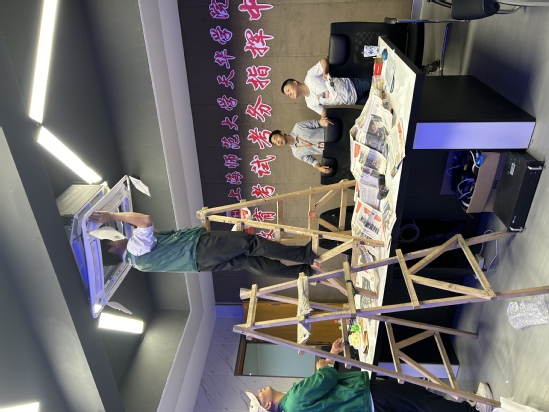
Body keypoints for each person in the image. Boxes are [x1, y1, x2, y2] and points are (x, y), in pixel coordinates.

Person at [247, 338, 495, 412]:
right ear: (267, 406)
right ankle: (473, 410)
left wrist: (331, 356)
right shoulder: (293, 399)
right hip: (366, 396)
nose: (259, 391)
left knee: (419, 407)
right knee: (421, 400)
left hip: (366, 407)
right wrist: (324, 367)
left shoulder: (293, 407)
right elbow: (327, 379)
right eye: (259, 397)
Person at [90, 211, 315, 277]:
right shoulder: (134, 248)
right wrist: (113, 215)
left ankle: (302, 271)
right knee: (250, 243)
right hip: (200, 248)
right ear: (112, 247)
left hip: (200, 263)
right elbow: (146, 220)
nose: (117, 237)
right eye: (112, 239)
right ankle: (303, 256)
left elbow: (154, 232)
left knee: (249, 261)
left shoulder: (138, 263)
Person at [281, 56, 371, 118]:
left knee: (378, 82)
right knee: (378, 100)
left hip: (354, 84)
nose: (290, 94)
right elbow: (324, 113)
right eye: (288, 95)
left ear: (295, 83)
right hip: (354, 100)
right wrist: (322, 120)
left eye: (288, 90)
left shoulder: (310, 77)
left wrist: (325, 71)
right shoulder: (309, 103)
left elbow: (324, 60)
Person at [268, 118, 333, 174]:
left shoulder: (298, 127)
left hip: (332, 135)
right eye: (275, 143)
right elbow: (312, 161)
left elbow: (317, 123)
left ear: (282, 133)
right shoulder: (296, 153)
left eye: (276, 138)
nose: (277, 142)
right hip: (331, 150)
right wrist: (319, 168)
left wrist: (322, 121)